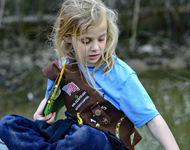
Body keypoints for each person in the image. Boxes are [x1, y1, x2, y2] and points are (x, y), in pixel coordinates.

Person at [0, 0, 179, 150]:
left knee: (86, 137)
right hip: (71, 134)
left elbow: (153, 119)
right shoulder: (62, 67)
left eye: (101, 39)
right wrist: (42, 113)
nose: (96, 47)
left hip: (105, 142)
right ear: (68, 37)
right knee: (8, 124)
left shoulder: (120, 75)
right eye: (86, 41)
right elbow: (50, 102)